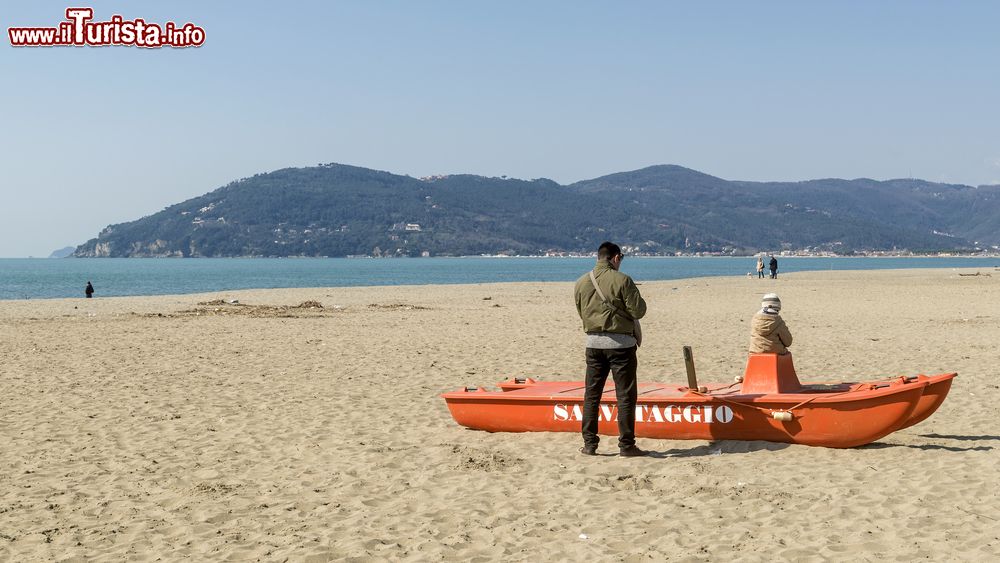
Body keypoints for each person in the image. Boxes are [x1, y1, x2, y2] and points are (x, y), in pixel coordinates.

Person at [573, 241, 648, 457]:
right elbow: (639, 310)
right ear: (616, 258)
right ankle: (626, 445)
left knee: (592, 396)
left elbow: (581, 312)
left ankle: (589, 444)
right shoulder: (622, 280)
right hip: (621, 346)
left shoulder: (581, 282)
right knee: (625, 396)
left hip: (593, 344)